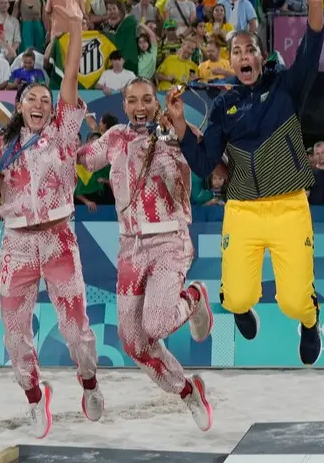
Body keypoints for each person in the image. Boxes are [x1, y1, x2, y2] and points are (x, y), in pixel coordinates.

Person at [0, 0, 100, 439]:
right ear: (19, 106)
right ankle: (37, 398)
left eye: (44, 97)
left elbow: (70, 73)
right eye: (31, 96)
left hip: (58, 240)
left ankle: (88, 381)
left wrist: (74, 26)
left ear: (52, 107)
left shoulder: (63, 130)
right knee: (15, 337)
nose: (39, 101)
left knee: (77, 334)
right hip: (15, 246)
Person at [166, 0, 324, 365]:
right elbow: (204, 165)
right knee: (235, 296)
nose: (243, 57)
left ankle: (310, 321)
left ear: (261, 55)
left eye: (250, 49)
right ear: (231, 62)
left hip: (289, 207)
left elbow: (311, 48)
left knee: (294, 302)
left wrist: (315, 4)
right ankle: (242, 309)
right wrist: (182, 127)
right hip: (242, 210)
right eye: (236, 52)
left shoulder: (286, 87)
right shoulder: (222, 107)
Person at [76, 77, 215, 431]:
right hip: (129, 248)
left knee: (156, 323)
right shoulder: (115, 138)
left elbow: (210, 165)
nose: (140, 107)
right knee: (135, 343)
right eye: (133, 101)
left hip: (170, 240)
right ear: (123, 106)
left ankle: (195, 297)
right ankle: (187, 390)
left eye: (147, 100)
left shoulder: (177, 134)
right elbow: (83, 161)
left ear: (158, 102)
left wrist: (182, 127)